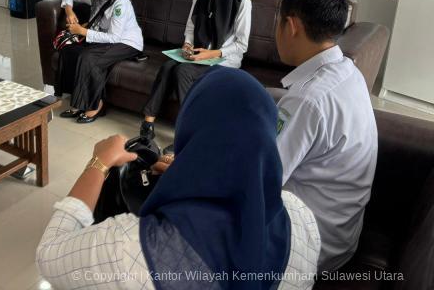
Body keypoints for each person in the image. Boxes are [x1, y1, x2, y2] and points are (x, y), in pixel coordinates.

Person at [36, 67, 320, 289]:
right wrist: (189, 175)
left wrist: (99, 162)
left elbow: (50, 255)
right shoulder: (302, 218)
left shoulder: (135, 249)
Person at [274, 0, 377, 271]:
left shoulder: (307, 100)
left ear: (291, 26)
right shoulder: (348, 72)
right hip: (341, 236)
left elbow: (260, 180)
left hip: (306, 247)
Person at [140, 0, 251, 138]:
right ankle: (148, 124)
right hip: (199, 54)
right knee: (168, 66)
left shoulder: (242, 2)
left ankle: (190, 133)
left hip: (224, 60)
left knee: (183, 71)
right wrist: (187, 45)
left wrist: (212, 53)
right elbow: (191, 27)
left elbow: (242, 44)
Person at [55, 0, 143, 124]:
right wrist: (69, 11)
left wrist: (82, 31)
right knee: (70, 51)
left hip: (126, 43)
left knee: (89, 57)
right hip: (105, 38)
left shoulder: (120, 2)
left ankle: (96, 105)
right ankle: (78, 101)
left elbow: (115, 37)